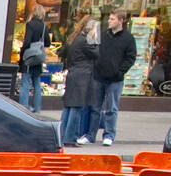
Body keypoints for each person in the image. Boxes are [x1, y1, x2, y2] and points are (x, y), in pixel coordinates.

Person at [87, 9, 137, 145]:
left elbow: (131, 57)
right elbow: (94, 51)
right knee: (95, 107)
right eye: (109, 18)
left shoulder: (128, 38)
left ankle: (109, 135)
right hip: (99, 76)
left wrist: (120, 71)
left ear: (121, 20)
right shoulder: (104, 35)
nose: (109, 21)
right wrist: (96, 66)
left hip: (115, 79)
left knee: (111, 108)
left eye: (112, 19)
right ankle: (90, 135)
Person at [59, 18, 98, 145]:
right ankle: (70, 138)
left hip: (72, 73)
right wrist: (94, 37)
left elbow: (62, 52)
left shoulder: (73, 38)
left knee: (68, 107)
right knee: (76, 107)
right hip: (82, 76)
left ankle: (62, 135)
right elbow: (96, 53)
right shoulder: (85, 40)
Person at [19, 4, 50, 113]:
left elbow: (27, 41)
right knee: (37, 82)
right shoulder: (45, 27)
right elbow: (48, 43)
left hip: (29, 57)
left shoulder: (30, 24)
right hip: (38, 57)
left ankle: (23, 107)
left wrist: (22, 54)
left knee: (25, 83)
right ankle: (37, 108)